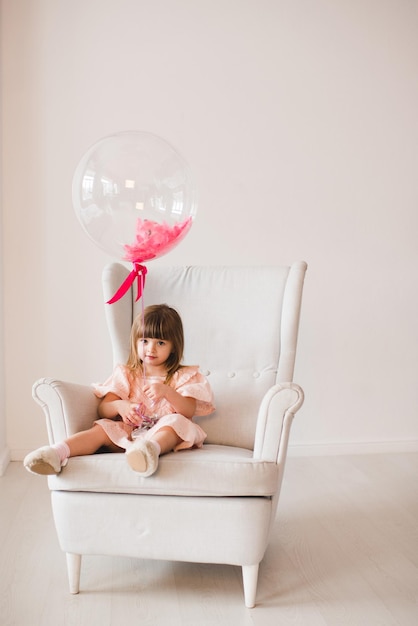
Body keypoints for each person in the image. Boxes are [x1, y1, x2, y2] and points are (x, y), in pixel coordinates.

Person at [24, 304, 215, 478]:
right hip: (129, 432)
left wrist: (167, 392)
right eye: (145, 341)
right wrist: (121, 406)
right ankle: (55, 453)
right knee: (102, 428)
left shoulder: (183, 375)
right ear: (135, 341)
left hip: (161, 434)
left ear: (174, 347)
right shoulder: (128, 374)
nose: (151, 349)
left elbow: (188, 411)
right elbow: (104, 409)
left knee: (176, 422)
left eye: (161, 343)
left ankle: (148, 451)